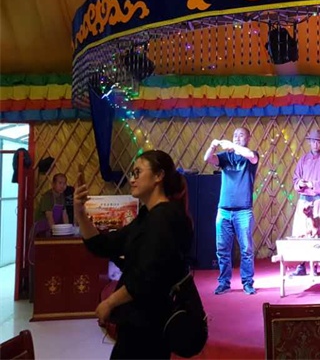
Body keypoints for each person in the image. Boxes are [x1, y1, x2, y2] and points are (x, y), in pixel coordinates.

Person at [75, 150, 194, 358]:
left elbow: (147, 277)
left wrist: (109, 302)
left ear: (158, 176)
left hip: (150, 325)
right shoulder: (148, 216)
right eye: (131, 173)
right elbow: (105, 245)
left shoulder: (165, 218)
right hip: (138, 323)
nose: (131, 179)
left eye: (138, 172)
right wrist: (80, 212)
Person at [203, 127, 259, 296]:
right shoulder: (225, 157)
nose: (236, 137)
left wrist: (233, 146)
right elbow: (207, 158)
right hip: (224, 210)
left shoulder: (251, 156)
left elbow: (251, 155)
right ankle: (224, 283)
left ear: (248, 138)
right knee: (222, 249)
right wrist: (213, 146)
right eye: (234, 135)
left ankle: (247, 283)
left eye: (241, 135)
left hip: (243, 211)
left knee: (246, 250)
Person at [290, 129, 320, 277]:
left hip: (318, 200)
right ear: (309, 142)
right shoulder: (303, 159)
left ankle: (314, 266)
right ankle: (301, 265)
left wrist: (312, 185)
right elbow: (295, 179)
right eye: (313, 141)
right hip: (304, 201)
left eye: (318, 142)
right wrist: (300, 183)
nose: (316, 144)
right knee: (301, 232)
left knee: (318, 233)